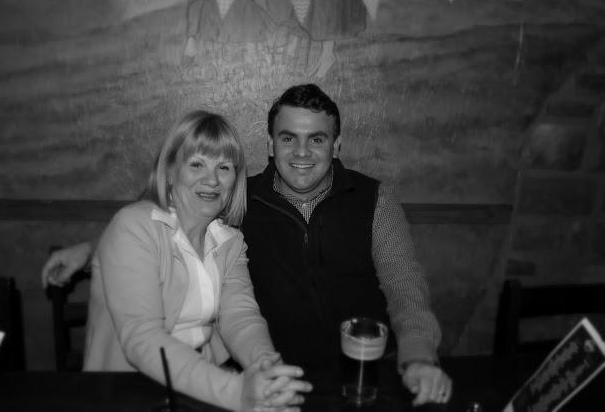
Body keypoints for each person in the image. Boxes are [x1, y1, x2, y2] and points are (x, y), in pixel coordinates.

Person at [43, 85, 452, 406]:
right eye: (288, 138)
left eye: (317, 139)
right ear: (271, 145)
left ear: (336, 145)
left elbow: (406, 289)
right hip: (263, 376)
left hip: (360, 376)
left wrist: (418, 358)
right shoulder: (243, 201)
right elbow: (160, 223)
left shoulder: (372, 200)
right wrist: (95, 252)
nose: (302, 152)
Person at [80, 111, 311, 412]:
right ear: (171, 170)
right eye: (197, 164)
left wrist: (266, 370)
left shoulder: (230, 241)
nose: (211, 180)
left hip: (198, 390)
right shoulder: (134, 226)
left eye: (224, 167)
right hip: (128, 393)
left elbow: (240, 315)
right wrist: (236, 392)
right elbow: (143, 339)